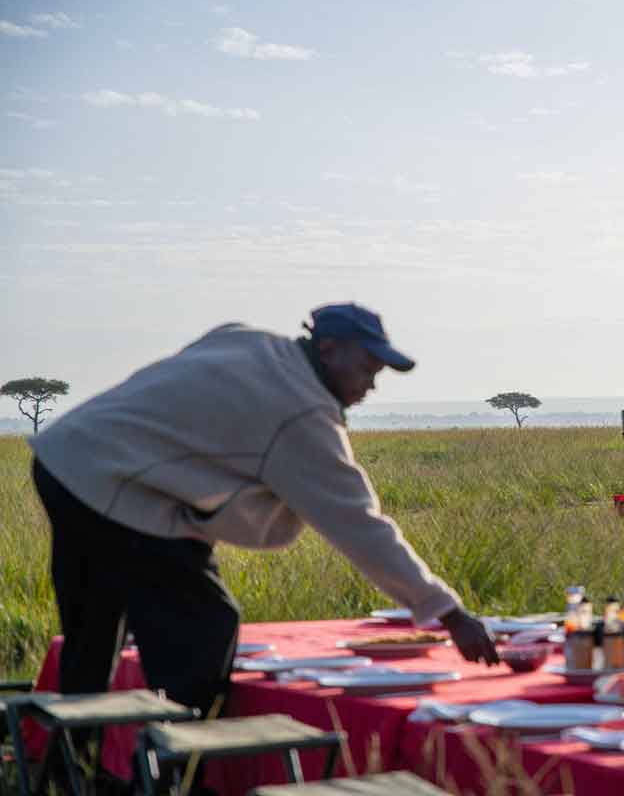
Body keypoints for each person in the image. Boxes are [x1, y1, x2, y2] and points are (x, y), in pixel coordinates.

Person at [29, 302, 499, 728]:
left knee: (93, 630)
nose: (371, 385)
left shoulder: (249, 341)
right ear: (329, 349)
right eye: (368, 368)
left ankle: (75, 767)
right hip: (117, 488)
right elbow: (362, 527)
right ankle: (178, 763)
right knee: (206, 624)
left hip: (64, 461)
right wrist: (449, 613)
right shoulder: (302, 412)